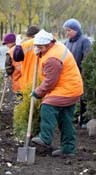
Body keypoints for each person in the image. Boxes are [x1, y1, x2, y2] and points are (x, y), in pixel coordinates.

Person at [30, 29, 83, 157]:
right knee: (66, 120)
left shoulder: (52, 58)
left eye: (40, 47)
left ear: (48, 44)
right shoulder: (57, 47)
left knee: (47, 107)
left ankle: (45, 138)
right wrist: (40, 53)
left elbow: (50, 82)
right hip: (73, 87)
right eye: (37, 47)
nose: (39, 49)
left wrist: (37, 93)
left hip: (66, 89)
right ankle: (68, 149)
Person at [63, 18, 92, 128]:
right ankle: (73, 119)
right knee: (70, 97)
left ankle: (84, 120)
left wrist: (83, 75)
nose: (67, 33)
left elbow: (87, 59)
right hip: (69, 75)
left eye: (69, 30)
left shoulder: (84, 41)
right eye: (66, 30)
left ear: (76, 30)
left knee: (83, 98)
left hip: (80, 75)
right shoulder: (67, 43)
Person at [13, 26, 40, 91]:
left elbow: (16, 58)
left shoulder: (24, 45)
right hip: (40, 80)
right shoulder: (44, 43)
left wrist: (18, 45)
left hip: (27, 80)